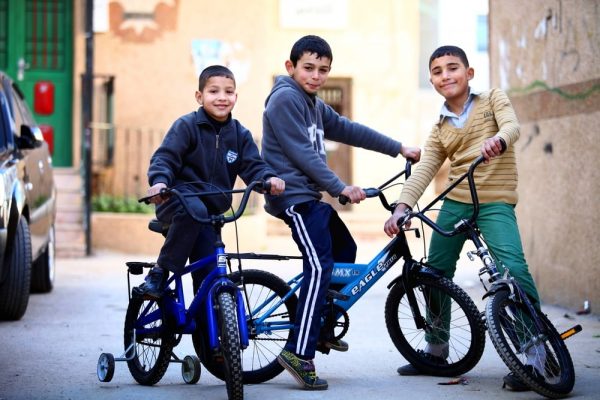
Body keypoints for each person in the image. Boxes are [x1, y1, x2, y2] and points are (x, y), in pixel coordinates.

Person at [261, 35, 421, 391]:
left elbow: (349, 130)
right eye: (309, 68)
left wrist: (398, 149)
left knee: (344, 252)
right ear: (291, 67)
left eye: (323, 70)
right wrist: (340, 187)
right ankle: (299, 352)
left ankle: (318, 328)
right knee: (320, 265)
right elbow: (303, 153)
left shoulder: (314, 105)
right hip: (293, 199)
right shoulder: (285, 99)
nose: (316, 75)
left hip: (310, 198)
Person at [383, 45, 542, 392]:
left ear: (469, 74)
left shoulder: (493, 100)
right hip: (456, 201)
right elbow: (425, 168)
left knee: (512, 269)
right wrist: (402, 207)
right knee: (434, 274)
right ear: (432, 81)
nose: (446, 75)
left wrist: (499, 139)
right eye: (437, 71)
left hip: (495, 200)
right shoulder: (440, 127)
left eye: (452, 68)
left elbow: (512, 126)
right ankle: (436, 349)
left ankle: (535, 355)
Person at [133, 65, 285, 299]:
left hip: (210, 215)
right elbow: (165, 158)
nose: (222, 97)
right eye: (214, 91)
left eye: (229, 92)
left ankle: (209, 333)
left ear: (236, 96)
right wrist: (160, 182)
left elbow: (254, 165)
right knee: (194, 207)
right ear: (199, 96)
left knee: (210, 280)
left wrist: (268, 178)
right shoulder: (186, 126)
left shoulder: (239, 135)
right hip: (177, 201)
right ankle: (160, 273)